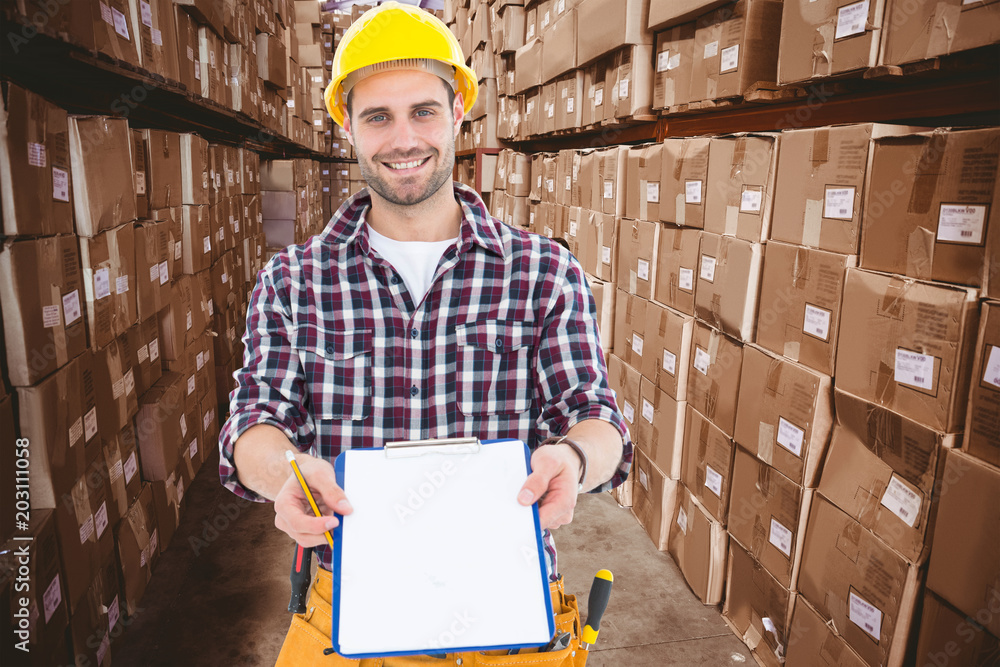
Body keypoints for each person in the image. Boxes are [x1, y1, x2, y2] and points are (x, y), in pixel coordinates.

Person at [218, 3, 632, 664]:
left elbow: (598, 420)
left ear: (459, 111)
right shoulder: (292, 281)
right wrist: (283, 476)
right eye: (378, 116)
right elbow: (253, 426)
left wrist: (574, 460)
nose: (403, 138)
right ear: (346, 126)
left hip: (507, 607)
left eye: (424, 111)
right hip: (349, 609)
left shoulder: (543, 273)